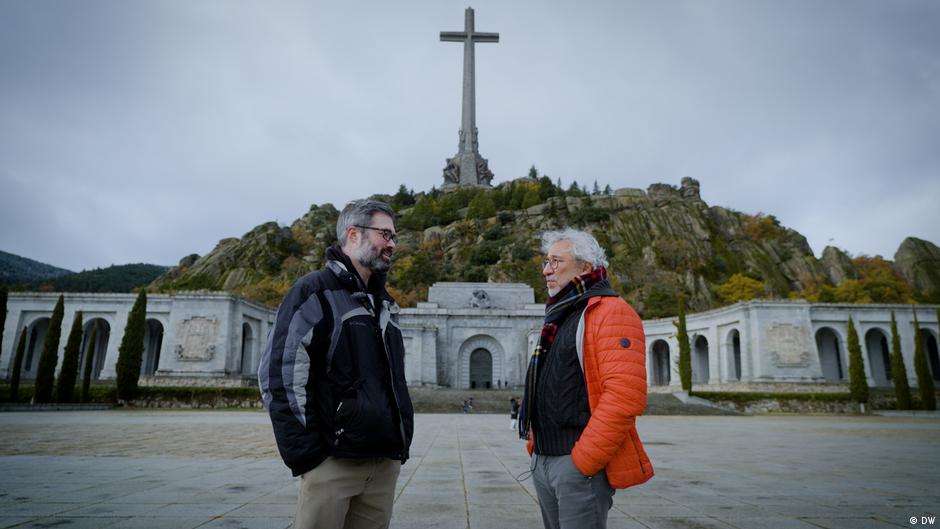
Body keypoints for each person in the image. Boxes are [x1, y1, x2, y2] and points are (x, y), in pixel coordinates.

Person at [258, 199, 414, 529]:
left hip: (383, 463)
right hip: (332, 463)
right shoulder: (313, 291)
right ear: (353, 234)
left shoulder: (386, 304)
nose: (392, 245)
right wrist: (308, 456)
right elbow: (281, 374)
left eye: (394, 237)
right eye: (385, 234)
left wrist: (400, 441)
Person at [519, 228, 654, 529]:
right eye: (546, 261)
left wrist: (584, 461)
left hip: (576, 463)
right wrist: (534, 446)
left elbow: (624, 396)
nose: (546, 270)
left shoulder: (610, 312)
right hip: (544, 458)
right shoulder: (561, 314)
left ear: (585, 267)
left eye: (556, 262)